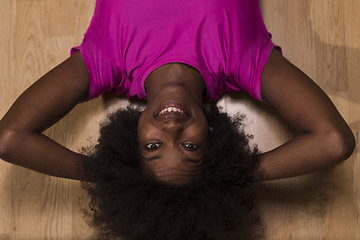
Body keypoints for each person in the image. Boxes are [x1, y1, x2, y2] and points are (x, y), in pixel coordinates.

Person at [0, 0, 355, 239]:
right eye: (190, 146)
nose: (171, 129)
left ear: (132, 140)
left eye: (153, 147)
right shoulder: (242, 60)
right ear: (212, 137)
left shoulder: (106, 60)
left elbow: (10, 138)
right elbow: (333, 141)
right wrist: (232, 177)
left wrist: (110, 176)